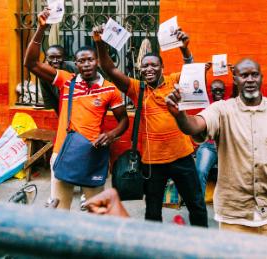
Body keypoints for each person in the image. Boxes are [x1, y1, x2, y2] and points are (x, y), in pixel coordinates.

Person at [165, 58, 267, 238]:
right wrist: (180, 116)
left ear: (261, 78)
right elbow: (194, 125)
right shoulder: (221, 110)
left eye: (254, 74)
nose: (250, 79)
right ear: (235, 80)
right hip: (235, 218)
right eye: (244, 75)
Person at [92, 26, 208, 227]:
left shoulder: (174, 81)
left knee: (196, 204)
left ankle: (203, 244)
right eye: (144, 66)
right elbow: (109, 69)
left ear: (162, 67)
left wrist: (184, 49)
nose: (149, 69)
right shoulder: (138, 89)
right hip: (153, 161)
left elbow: (192, 71)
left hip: (182, 156)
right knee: (152, 209)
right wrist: (99, 43)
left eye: (153, 65)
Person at [24, 9, 129, 210]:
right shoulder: (67, 81)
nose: (86, 64)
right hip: (63, 153)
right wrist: (41, 28)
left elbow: (123, 120)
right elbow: (30, 63)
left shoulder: (110, 89)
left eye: (90, 59)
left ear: (97, 61)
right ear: (76, 63)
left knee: (96, 211)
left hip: (93, 154)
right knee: (59, 211)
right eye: (81, 61)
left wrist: (111, 134)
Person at [195, 79, 225, 197]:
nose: (218, 93)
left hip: (226, 147)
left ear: (224, 91)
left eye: (220, 90)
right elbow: (197, 87)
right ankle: (199, 209)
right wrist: (203, 73)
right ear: (211, 92)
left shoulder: (229, 103)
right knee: (200, 172)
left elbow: (237, 93)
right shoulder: (206, 103)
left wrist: (234, 76)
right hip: (209, 146)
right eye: (215, 90)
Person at [40, 45, 77, 115]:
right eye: (51, 57)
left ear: (64, 58)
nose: (55, 61)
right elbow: (49, 100)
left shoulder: (74, 68)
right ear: (46, 58)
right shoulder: (43, 74)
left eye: (58, 57)